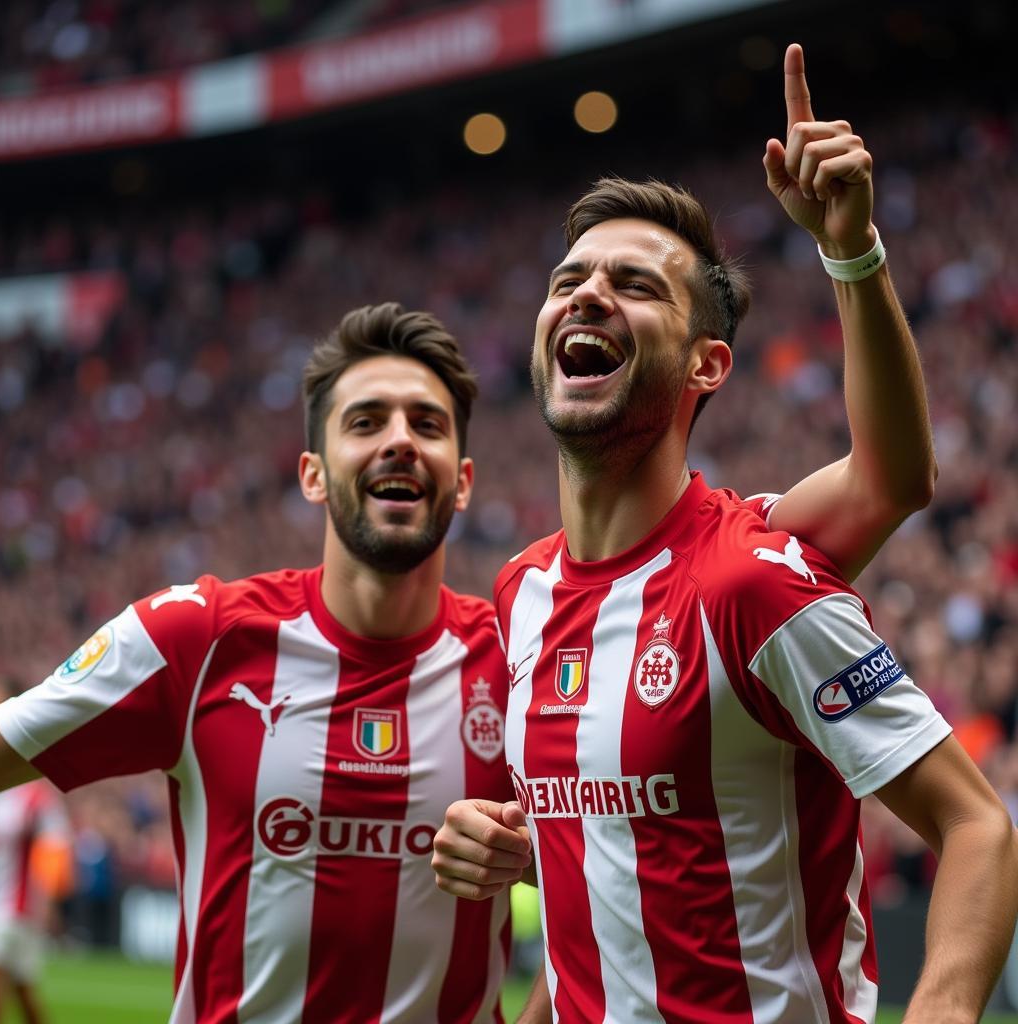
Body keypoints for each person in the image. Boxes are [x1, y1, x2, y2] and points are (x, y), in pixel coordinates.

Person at [432, 44, 1018, 1023]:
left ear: (708, 365)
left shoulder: (754, 582)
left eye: (635, 283)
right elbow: (598, 915)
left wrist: (945, 1006)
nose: (585, 294)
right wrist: (519, 841)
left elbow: (974, 824)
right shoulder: (520, 595)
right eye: (567, 276)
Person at [0, 304, 531, 1023]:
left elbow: (616, 886)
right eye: (366, 422)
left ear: (462, 482)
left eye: (427, 424)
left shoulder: (521, 663)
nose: (401, 440)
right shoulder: (196, 638)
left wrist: (534, 863)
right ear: (312, 474)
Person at [0, 677, 71, 1024]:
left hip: (15, 909)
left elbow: (56, 845)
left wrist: (50, 898)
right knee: (25, 997)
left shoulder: (33, 792)